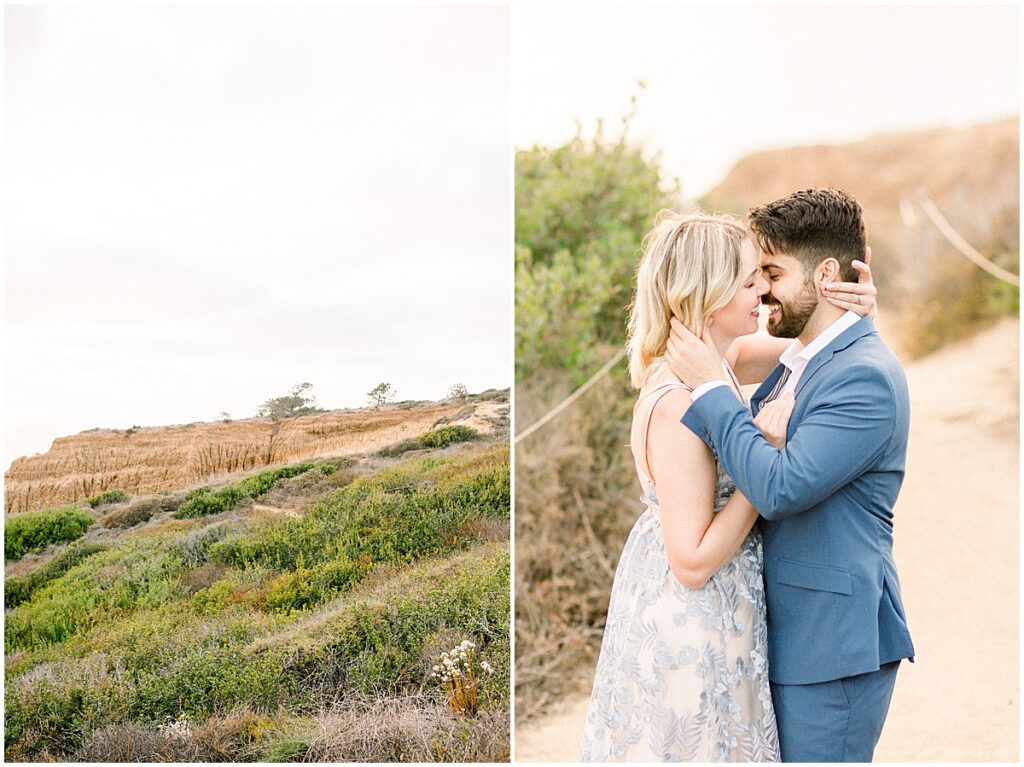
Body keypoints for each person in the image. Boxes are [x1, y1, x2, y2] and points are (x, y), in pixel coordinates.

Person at [578, 209, 877, 762]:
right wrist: (765, 457)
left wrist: (852, 306)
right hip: (696, 620)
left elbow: (813, 345)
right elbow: (690, 561)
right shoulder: (676, 404)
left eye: (764, 278)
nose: (762, 292)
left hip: (726, 606)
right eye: (748, 281)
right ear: (708, 294)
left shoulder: (723, 358)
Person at [665, 188, 915, 762]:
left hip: (833, 645)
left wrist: (708, 388)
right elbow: (719, 351)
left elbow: (778, 488)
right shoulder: (803, 355)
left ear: (825, 273)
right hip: (783, 632)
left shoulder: (864, 378)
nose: (761, 292)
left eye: (771, 273)